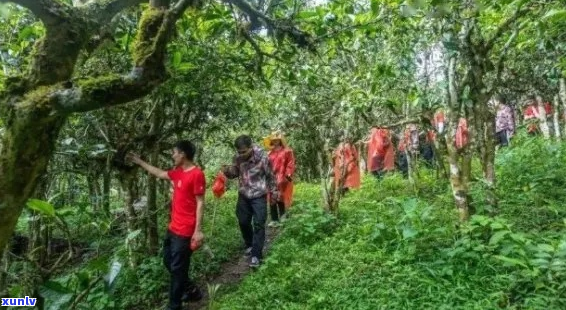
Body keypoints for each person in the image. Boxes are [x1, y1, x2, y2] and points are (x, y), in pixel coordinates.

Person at [127, 140, 205, 310]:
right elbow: (160, 173)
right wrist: (140, 162)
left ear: (183, 154)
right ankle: (192, 290)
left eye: (174, 152)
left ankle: (174, 305)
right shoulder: (178, 172)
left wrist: (198, 230)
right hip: (173, 228)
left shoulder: (196, 174)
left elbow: (200, 202)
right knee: (168, 261)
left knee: (177, 268)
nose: (172, 155)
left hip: (185, 230)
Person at [222, 135, 279, 268]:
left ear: (251, 147)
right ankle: (249, 244)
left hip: (259, 194)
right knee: (243, 221)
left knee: (259, 224)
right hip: (244, 194)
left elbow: (270, 176)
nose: (241, 155)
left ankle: (256, 255)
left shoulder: (263, 158)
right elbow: (235, 173)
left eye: (244, 152)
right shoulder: (237, 158)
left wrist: (274, 192)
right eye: (239, 152)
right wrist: (226, 171)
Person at [263, 131, 296, 227]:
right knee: (272, 197)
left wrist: (288, 174)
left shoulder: (287, 151)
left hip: (282, 177)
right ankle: (274, 219)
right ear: (271, 141)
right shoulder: (269, 153)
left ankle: (283, 216)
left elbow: (290, 163)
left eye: (277, 139)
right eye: (273, 140)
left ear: (280, 140)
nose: (275, 141)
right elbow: (266, 166)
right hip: (271, 177)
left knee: (280, 196)